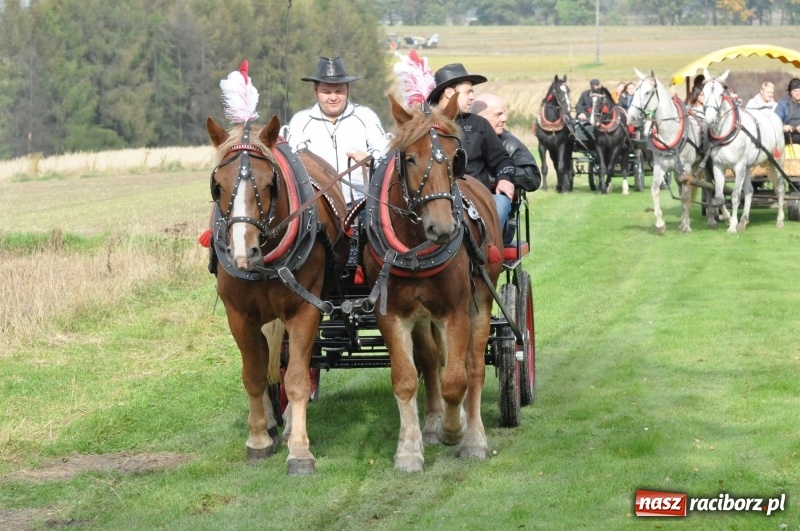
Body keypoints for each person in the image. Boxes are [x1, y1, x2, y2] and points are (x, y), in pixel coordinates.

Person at [426, 63, 517, 241]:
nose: (472, 97)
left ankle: (487, 248)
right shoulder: (425, 125)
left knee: (501, 202)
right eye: (468, 92)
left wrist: (505, 179)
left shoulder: (479, 124)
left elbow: (502, 160)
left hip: (478, 199)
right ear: (449, 93)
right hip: (436, 199)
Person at [286, 56, 388, 204]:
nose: (333, 97)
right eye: (326, 92)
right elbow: (294, 159)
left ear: (348, 89)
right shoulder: (300, 121)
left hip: (361, 205)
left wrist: (370, 158)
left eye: (339, 91)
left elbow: (382, 148)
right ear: (315, 90)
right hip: (318, 207)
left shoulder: (366, 116)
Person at [471, 93, 541, 195]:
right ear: (479, 118)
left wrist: (500, 176)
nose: (504, 118)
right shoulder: (458, 138)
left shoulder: (510, 143)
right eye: (498, 114)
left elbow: (532, 177)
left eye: (504, 113)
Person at [774, 78, 800, 145]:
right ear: (790, 92)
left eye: (799, 90)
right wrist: (784, 127)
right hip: (789, 135)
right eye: (795, 91)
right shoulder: (783, 103)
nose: (798, 93)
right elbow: (775, 120)